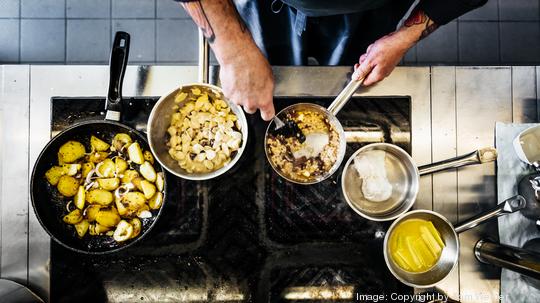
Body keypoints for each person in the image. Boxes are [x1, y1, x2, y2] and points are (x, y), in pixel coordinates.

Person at [176, 0, 487, 121]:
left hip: (368, 11)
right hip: (267, 6)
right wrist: (234, 49)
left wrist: (407, 34)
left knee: (348, 71)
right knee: (267, 69)